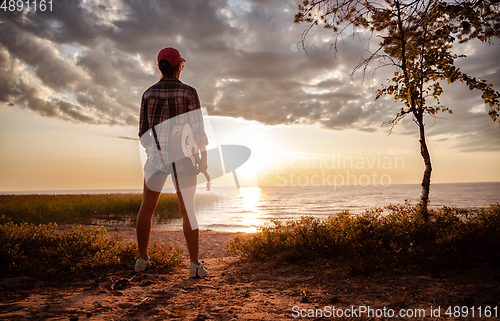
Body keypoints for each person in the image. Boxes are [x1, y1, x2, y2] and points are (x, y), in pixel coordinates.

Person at [135, 47, 209, 278]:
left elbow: (143, 132)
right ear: (179, 66)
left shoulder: (148, 94)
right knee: (188, 209)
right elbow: (198, 131)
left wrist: (154, 151)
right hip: (184, 158)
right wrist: (203, 159)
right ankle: (195, 265)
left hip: (156, 158)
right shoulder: (188, 92)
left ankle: (142, 260)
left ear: (160, 67)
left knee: (146, 208)